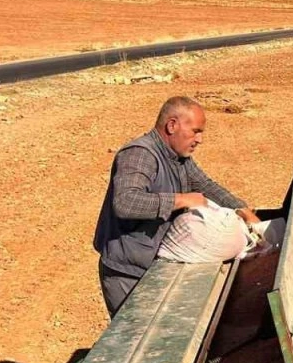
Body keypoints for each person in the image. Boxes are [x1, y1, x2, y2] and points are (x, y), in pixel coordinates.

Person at [93, 96, 258, 316]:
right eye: (195, 131)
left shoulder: (177, 158)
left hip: (154, 265)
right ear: (172, 125)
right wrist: (180, 200)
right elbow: (125, 202)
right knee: (137, 337)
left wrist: (243, 210)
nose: (199, 139)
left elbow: (205, 184)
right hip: (128, 272)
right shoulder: (140, 154)